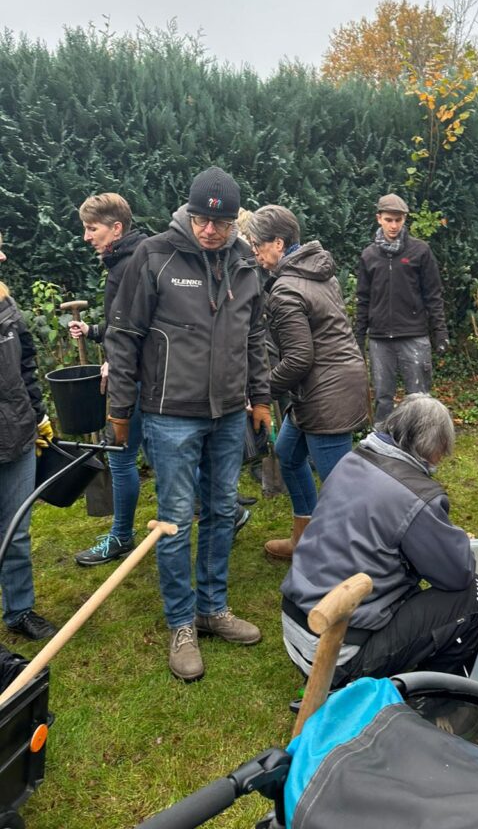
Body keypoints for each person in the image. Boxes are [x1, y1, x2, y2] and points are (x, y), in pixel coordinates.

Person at [106, 167, 272, 682]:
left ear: (234, 223)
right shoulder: (154, 255)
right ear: (190, 213)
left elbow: (255, 336)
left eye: (219, 222)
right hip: (169, 414)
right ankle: (181, 621)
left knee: (223, 510)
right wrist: (119, 407)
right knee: (175, 518)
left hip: (227, 413)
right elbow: (123, 333)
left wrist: (261, 397)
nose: (209, 230)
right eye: (202, 219)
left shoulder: (246, 263)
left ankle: (212, 607)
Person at [281, 395, 478, 685]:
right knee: (475, 594)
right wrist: (453, 538)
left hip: (296, 628)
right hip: (338, 656)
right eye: (443, 452)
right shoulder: (417, 497)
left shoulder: (351, 459)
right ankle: (439, 697)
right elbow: (457, 575)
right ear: (434, 449)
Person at [246, 205, 368, 559]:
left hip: (326, 394)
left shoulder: (285, 289)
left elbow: (299, 358)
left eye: (257, 244)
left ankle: (357, 562)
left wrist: (261, 392)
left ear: (278, 243)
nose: (254, 252)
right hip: (328, 384)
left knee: (339, 487)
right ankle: (306, 538)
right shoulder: (316, 270)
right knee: (287, 455)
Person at [67, 193, 147, 566]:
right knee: (166, 452)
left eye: (91, 228)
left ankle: (121, 537)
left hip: (135, 380)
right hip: (146, 376)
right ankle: (224, 511)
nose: (86, 236)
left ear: (116, 228)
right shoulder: (137, 257)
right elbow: (125, 324)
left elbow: (139, 331)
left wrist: (116, 363)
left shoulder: (128, 266)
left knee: (121, 456)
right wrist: (97, 331)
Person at [0, 232, 58, 640]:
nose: (3, 253)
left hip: (16, 433)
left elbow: (25, 363)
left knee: (15, 531)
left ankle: (19, 610)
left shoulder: (4, 301)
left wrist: (37, 416)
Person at [355, 193, 449, 427]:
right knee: (383, 399)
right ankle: (382, 448)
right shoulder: (368, 255)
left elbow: (433, 296)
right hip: (379, 340)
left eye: (398, 220)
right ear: (379, 219)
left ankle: (422, 447)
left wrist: (440, 332)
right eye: (389, 220)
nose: (394, 225)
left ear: (405, 219)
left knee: (419, 399)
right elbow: (363, 300)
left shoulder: (420, 251)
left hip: (414, 336)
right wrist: (357, 338)